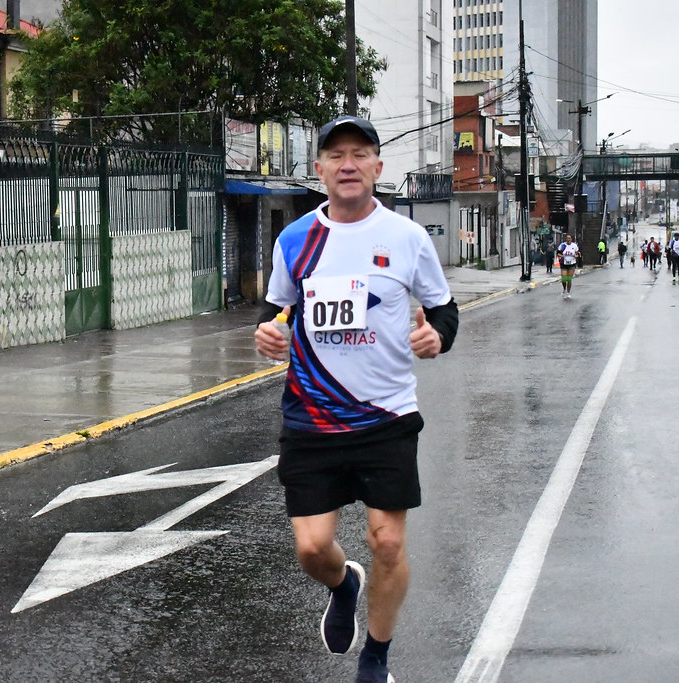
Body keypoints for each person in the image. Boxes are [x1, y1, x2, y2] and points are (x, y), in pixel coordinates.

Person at [254, 116, 459, 683]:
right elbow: (275, 310)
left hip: (386, 416)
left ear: (377, 167)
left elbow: (443, 308)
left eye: (360, 153)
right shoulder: (295, 239)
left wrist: (438, 337)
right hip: (312, 419)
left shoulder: (407, 237)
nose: (348, 164)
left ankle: (375, 659)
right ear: (319, 169)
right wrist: (268, 333)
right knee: (312, 549)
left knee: (387, 541)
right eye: (336, 155)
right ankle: (344, 585)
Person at [557, 234, 580, 298]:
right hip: (564, 263)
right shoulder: (562, 245)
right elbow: (558, 253)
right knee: (564, 278)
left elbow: (577, 253)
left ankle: (568, 292)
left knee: (569, 279)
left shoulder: (574, 246)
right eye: (567, 238)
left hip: (572, 264)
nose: (568, 239)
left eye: (569, 238)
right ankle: (564, 289)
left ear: (571, 239)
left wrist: (576, 255)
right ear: (566, 239)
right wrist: (562, 256)